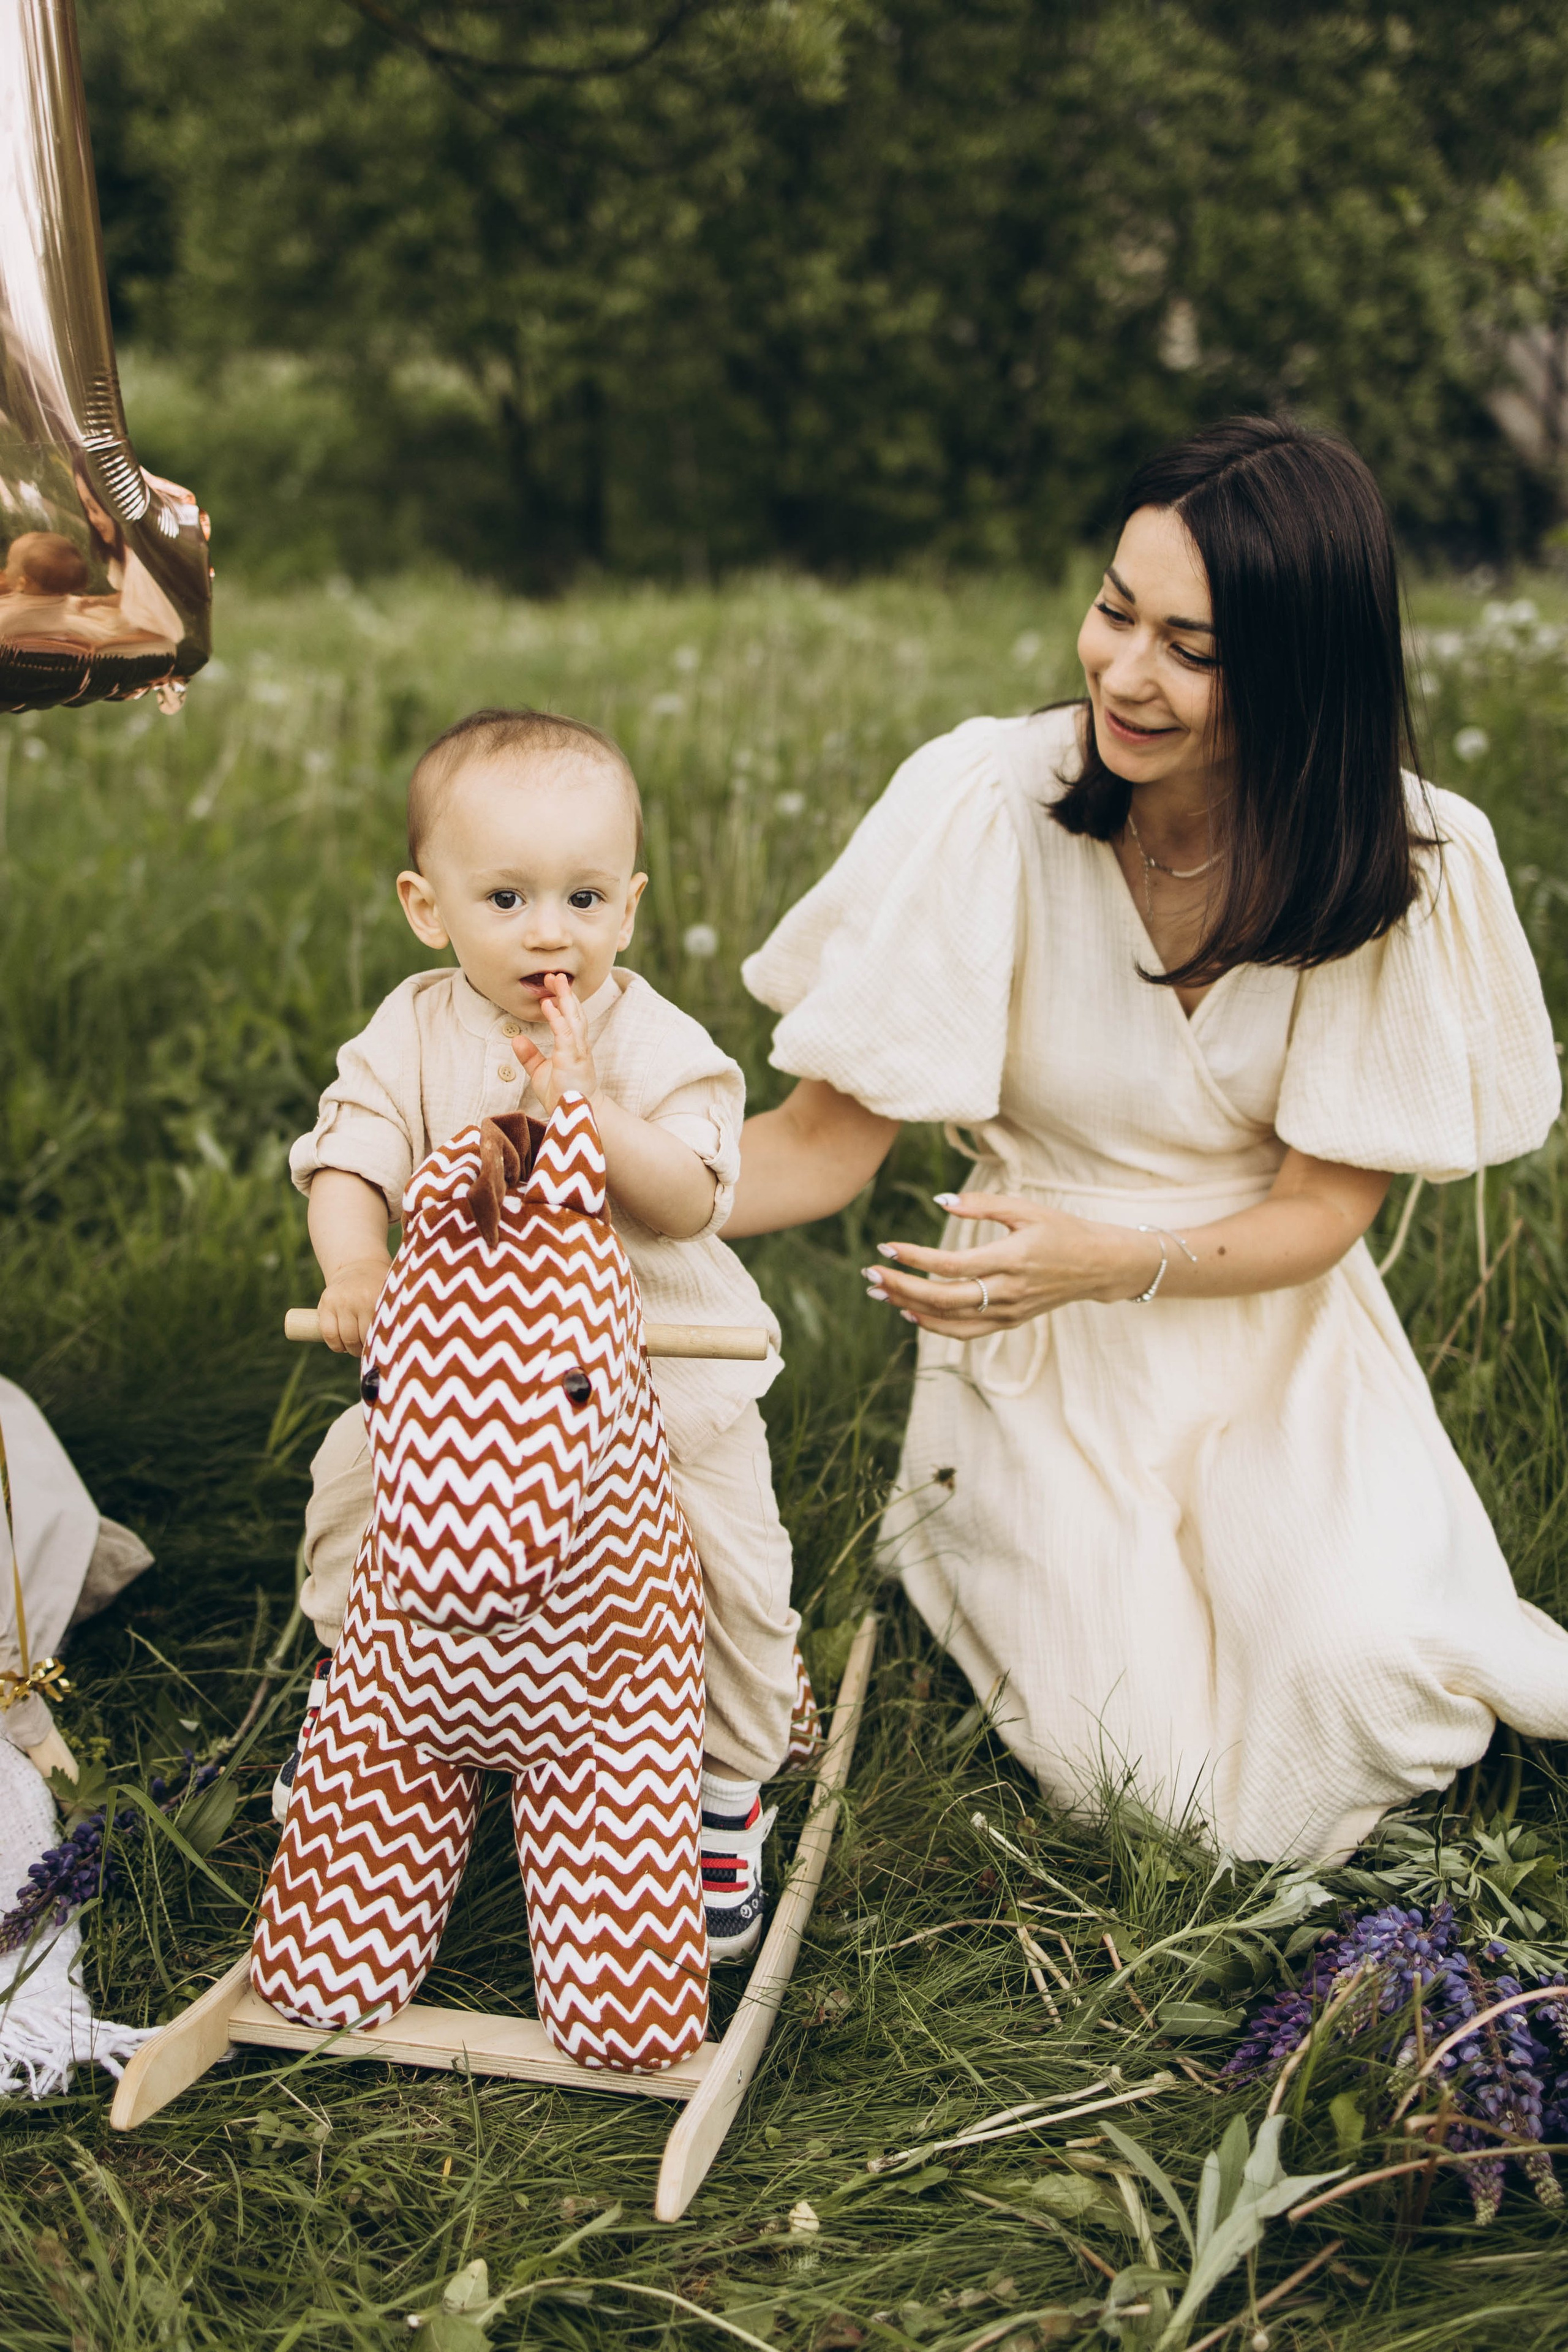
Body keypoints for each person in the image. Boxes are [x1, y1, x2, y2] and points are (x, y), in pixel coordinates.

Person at [731, 414, 1568, 1864]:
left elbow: (1318, 1213)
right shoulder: (988, 801)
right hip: (1039, 1342)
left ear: (1300, 669)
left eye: (1192, 648)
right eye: (1115, 611)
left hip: (1269, 1327)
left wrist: (1119, 1259)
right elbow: (816, 1148)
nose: (1124, 671)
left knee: (1366, 1683)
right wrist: (580, 1175)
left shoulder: (1393, 862)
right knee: (1151, 1786)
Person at [284, 707, 810, 1957]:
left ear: (629, 907)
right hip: (470, 1395)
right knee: (357, 1503)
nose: (549, 932)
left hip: (657, 1381)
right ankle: (377, 1712)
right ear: (428, 908)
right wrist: (356, 1264)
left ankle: (720, 1780)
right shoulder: (411, 1029)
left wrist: (587, 1109)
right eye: (507, 898)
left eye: (583, 897)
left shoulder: (655, 1040)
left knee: (725, 1562)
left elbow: (690, 1197)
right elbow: (349, 1157)